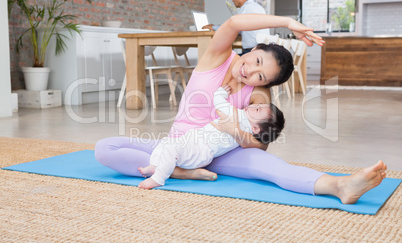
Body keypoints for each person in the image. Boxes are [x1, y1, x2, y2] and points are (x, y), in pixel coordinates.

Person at [95, 13, 387, 205]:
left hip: (218, 155)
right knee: (104, 149)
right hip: (177, 146)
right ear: (253, 49)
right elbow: (234, 23)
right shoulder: (217, 56)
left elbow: (259, 146)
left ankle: (339, 186)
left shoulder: (256, 95)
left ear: (266, 84)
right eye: (256, 60)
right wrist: (287, 22)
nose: (251, 72)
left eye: (262, 76)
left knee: (270, 168)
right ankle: (182, 172)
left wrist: (235, 131)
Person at [138, 85, 285, 189]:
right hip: (198, 146)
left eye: (257, 109)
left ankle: (158, 179)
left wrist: (220, 93)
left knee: (170, 148)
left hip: (200, 148)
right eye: (256, 105)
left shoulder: (237, 115)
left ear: (255, 128)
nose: (252, 106)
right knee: (168, 144)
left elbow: (219, 104)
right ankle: (156, 167)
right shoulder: (247, 132)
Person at [203, 0, 270, 55]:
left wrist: (214, 27)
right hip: (264, 51)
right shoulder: (259, 8)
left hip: (252, 52)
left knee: (223, 61)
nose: (232, 0)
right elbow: (240, 29)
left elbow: (233, 29)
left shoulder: (246, 8)